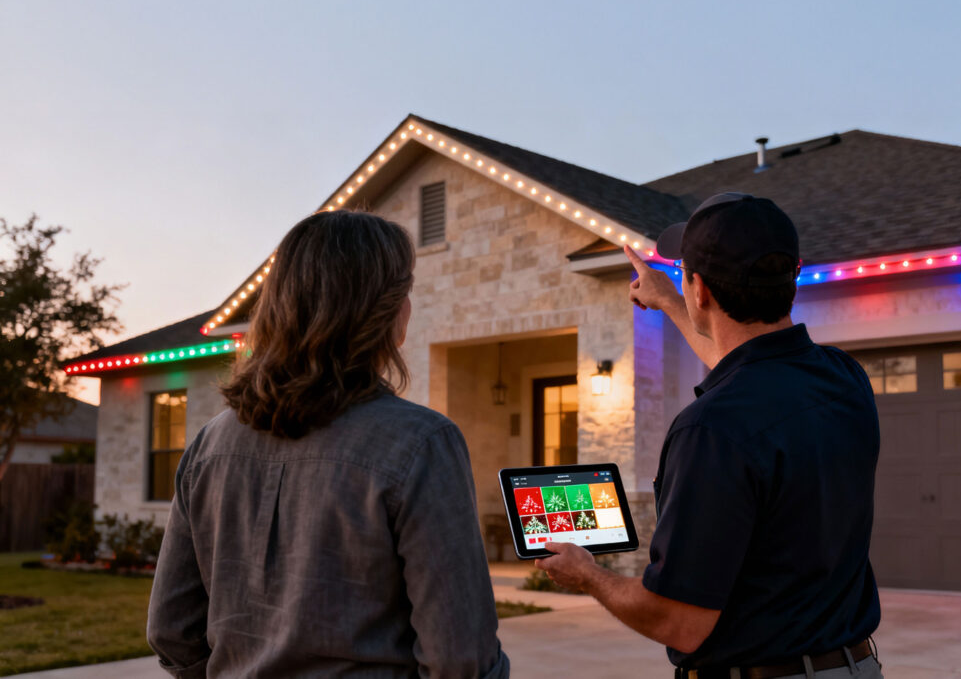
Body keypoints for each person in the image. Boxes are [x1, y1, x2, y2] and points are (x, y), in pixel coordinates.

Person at [147, 211, 510, 678]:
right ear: (382, 311)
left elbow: (171, 631)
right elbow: (460, 662)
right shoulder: (422, 443)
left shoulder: (209, 444)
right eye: (407, 291)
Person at [536, 193, 883, 679]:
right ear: (792, 277)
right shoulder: (845, 378)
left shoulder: (711, 428)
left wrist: (588, 575)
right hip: (855, 668)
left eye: (686, 275)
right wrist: (666, 299)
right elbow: (747, 368)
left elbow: (679, 621)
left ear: (700, 290)